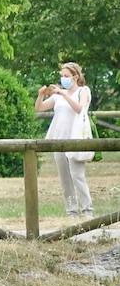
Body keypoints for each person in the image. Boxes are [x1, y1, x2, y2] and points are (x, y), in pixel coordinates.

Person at [36, 61, 93, 217]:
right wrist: (41, 95)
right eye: (61, 76)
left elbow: (79, 108)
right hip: (59, 140)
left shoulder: (83, 91)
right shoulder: (57, 96)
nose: (63, 79)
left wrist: (63, 94)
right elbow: (39, 108)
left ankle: (88, 211)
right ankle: (71, 212)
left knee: (77, 176)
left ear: (75, 77)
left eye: (66, 76)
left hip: (75, 139)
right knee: (65, 180)